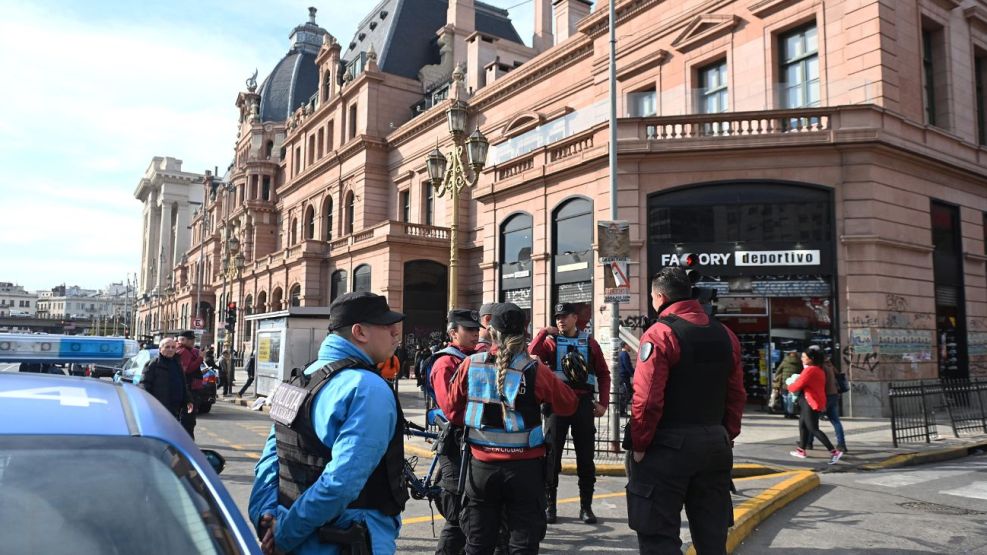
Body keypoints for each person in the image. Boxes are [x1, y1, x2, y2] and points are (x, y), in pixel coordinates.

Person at [248, 292, 408, 555]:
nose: (395, 334)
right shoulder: (368, 388)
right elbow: (341, 482)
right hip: (345, 540)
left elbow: (270, 461)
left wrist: (264, 515)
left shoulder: (299, 379)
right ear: (360, 332)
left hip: (291, 527)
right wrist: (285, 535)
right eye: (387, 326)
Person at [625, 267, 747, 554]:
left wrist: (640, 443)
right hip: (715, 445)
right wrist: (726, 434)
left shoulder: (660, 333)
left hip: (668, 446)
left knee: (658, 538)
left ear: (660, 296)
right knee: (712, 538)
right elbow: (737, 394)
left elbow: (647, 399)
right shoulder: (726, 335)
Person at [448, 303, 578, 554]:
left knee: (477, 543)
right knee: (522, 545)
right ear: (525, 330)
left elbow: (452, 411)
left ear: (491, 332)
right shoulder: (535, 369)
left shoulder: (470, 365)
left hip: (480, 469)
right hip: (525, 470)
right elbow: (568, 405)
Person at [528, 302, 611, 524]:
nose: (560, 321)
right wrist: (543, 331)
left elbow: (603, 374)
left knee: (586, 457)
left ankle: (586, 507)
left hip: (582, 403)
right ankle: (550, 507)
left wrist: (603, 403)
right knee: (552, 458)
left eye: (564, 316)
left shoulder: (590, 343)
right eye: (557, 318)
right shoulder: (550, 343)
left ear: (575, 318)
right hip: (555, 404)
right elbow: (530, 354)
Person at [426, 309, 481, 555]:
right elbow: (450, 409)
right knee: (457, 509)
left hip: (476, 440)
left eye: (476, 329)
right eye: (468, 329)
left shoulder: (478, 357)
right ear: (453, 333)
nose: (475, 333)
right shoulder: (445, 362)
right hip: (456, 442)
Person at [788, 346, 844, 464]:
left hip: (810, 402)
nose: (802, 359)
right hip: (809, 401)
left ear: (811, 359)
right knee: (803, 425)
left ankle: (834, 452)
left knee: (813, 428)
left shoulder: (810, 370)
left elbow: (797, 385)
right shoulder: (818, 369)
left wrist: (789, 386)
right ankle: (801, 450)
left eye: (804, 357)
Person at [141, 337, 193, 422]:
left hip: (175, 409)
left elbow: (183, 384)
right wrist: (151, 404)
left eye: (173, 347)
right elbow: (144, 385)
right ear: (160, 349)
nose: (170, 349)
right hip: (159, 409)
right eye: (167, 347)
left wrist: (188, 400)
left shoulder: (177, 363)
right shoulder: (153, 364)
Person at [176, 330, 205, 439]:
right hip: (190, 388)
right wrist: (200, 358)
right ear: (183, 340)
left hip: (189, 387)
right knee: (188, 419)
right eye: (190, 340)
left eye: (193, 339)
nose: (193, 342)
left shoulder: (184, 350)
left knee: (186, 418)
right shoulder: (184, 351)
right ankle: (187, 442)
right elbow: (187, 370)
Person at [823, 355, 848, 452]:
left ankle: (808, 442)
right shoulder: (830, 365)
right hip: (834, 394)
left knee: (812, 421)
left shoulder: (821, 366)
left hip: (826, 395)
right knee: (835, 421)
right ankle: (841, 444)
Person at [771, 350, 801, 417]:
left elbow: (778, 371)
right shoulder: (799, 362)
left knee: (785, 397)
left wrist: (777, 378)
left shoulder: (785, 361)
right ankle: (791, 413)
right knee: (792, 397)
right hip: (794, 382)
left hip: (785, 382)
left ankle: (786, 412)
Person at [618, 342, 635, 417]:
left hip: (623, 377)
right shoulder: (624, 354)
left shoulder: (622, 354)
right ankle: (621, 411)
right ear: (625, 346)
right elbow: (627, 366)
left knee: (626, 393)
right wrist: (633, 373)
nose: (629, 346)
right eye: (628, 345)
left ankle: (621, 411)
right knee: (627, 394)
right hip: (623, 377)